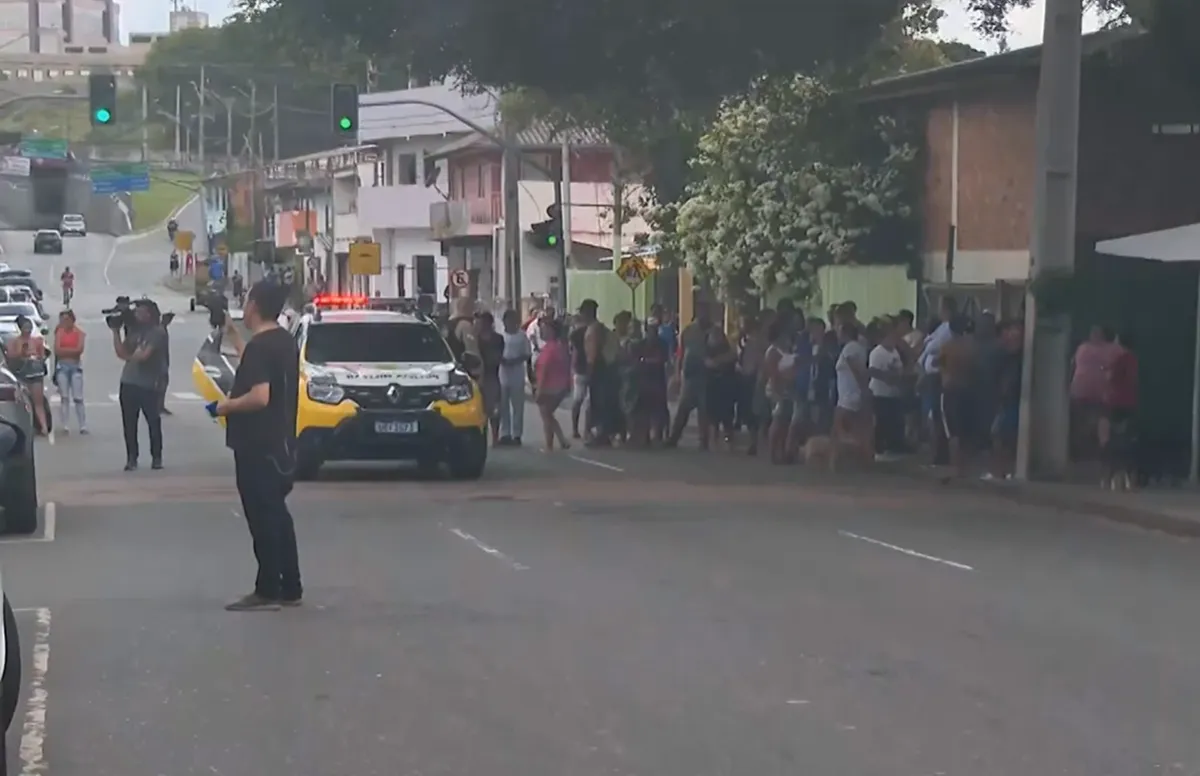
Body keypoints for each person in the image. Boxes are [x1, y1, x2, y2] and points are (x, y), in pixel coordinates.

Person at [214, 281, 301, 612]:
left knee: (262, 516)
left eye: (247, 299)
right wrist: (234, 336)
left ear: (254, 305)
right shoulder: (282, 341)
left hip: (257, 444)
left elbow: (260, 395)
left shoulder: (262, 348)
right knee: (278, 514)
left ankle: (267, 589)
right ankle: (290, 585)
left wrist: (227, 406)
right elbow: (259, 367)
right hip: (281, 442)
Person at [112, 300, 168, 470]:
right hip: (128, 382)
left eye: (140, 312)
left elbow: (144, 356)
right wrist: (115, 331)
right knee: (129, 423)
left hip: (148, 384)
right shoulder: (135, 332)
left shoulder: (157, 332)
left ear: (149, 314)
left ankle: (156, 456)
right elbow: (121, 352)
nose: (136, 314)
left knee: (153, 421)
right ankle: (131, 458)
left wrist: (131, 355)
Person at [666, 305, 713, 449]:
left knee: (704, 409)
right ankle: (674, 437)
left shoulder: (713, 331)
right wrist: (677, 373)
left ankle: (704, 440)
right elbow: (680, 353)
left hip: (706, 374)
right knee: (683, 408)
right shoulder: (688, 331)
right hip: (690, 374)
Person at [936, 315, 977, 477]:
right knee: (965, 429)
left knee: (952, 431)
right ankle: (964, 467)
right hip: (968, 389)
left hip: (950, 389)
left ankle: (956, 468)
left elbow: (937, 364)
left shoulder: (947, 347)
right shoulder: (972, 347)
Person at [868, 318, 905, 460]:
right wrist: (888, 378)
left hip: (894, 393)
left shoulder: (894, 352)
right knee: (881, 421)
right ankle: (879, 448)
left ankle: (893, 445)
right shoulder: (878, 352)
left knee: (894, 420)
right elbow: (873, 371)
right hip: (880, 392)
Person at [533, 318, 571, 451]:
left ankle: (557, 441)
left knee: (546, 415)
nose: (542, 331)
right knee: (548, 414)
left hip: (549, 387)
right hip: (559, 386)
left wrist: (539, 389)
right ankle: (556, 442)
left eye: (545, 328)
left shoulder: (550, 349)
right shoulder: (559, 347)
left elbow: (544, 369)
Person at [6, 316, 49, 435]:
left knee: (38, 402)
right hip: (20, 374)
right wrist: (22, 353)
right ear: (21, 328)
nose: (28, 330)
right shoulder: (14, 342)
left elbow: (42, 356)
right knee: (23, 402)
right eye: (25, 327)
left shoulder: (37, 341)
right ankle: (27, 427)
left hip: (35, 373)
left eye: (29, 327)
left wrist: (37, 356)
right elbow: (11, 357)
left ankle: (44, 426)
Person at [498, 309, 532, 446]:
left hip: (517, 374)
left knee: (518, 406)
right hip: (502, 373)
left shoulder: (522, 336)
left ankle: (517, 434)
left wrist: (516, 360)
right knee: (503, 405)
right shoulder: (500, 336)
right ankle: (505, 433)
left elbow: (527, 354)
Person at [52, 311, 86, 434]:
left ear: (73, 320)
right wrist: (70, 351)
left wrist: (65, 351)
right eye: (63, 320)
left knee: (78, 397)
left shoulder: (79, 333)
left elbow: (79, 349)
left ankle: (83, 425)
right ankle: (65, 424)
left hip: (75, 366)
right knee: (64, 397)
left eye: (67, 320)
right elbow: (57, 350)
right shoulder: (59, 332)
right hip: (62, 366)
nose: (64, 322)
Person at [475, 312, 504, 445]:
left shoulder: (497, 339)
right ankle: (482, 436)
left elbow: (498, 356)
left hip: (492, 375)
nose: (480, 325)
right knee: (480, 409)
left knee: (494, 409)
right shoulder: (474, 339)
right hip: (477, 376)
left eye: (482, 322)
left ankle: (495, 436)